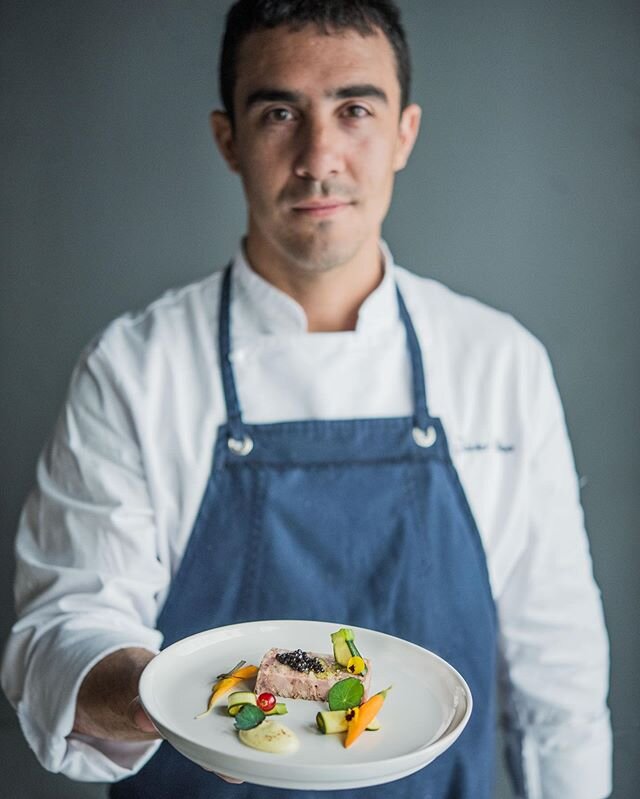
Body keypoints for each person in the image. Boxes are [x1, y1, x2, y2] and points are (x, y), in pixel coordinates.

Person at [1, 1, 612, 797]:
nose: (319, 156)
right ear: (229, 140)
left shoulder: (501, 365)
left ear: (405, 133)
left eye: (354, 109)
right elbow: (58, 633)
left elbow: (558, 689)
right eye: (280, 112)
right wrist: (180, 696)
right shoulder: (132, 369)